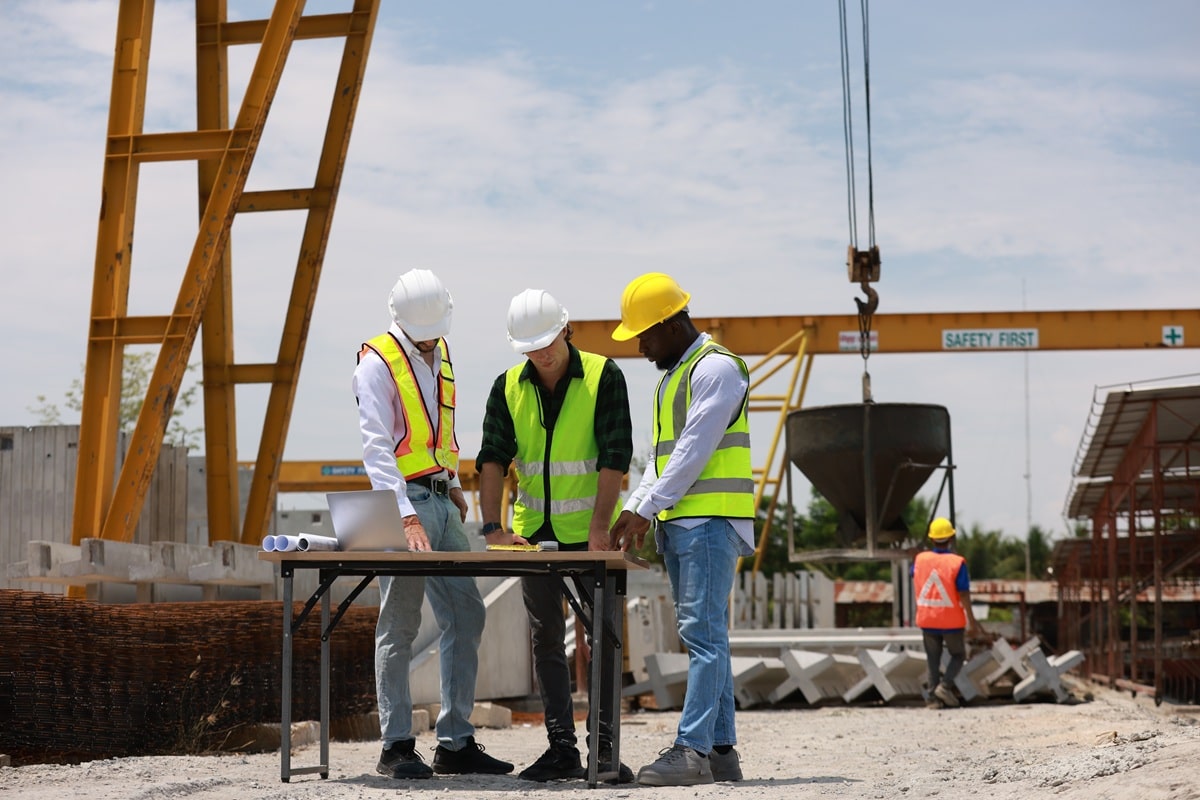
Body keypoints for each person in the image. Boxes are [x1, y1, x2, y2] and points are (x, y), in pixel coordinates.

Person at [352, 268, 513, 780]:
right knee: (398, 624)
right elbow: (377, 446)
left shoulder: (440, 350)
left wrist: (455, 480)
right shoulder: (376, 362)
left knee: (466, 614)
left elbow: (438, 428)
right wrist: (402, 512)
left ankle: (455, 741)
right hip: (405, 503)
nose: (430, 336)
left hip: (442, 499)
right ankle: (396, 745)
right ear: (399, 320)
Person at [476, 288, 635, 783]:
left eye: (548, 340)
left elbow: (614, 454)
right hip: (530, 537)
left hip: (589, 535)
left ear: (566, 329)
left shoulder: (603, 375)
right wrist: (492, 527)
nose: (541, 353)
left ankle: (603, 751)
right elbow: (492, 460)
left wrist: (597, 528)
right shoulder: (506, 386)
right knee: (545, 638)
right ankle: (561, 749)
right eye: (530, 346)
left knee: (601, 637)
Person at [608, 272, 754, 787]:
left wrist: (647, 510)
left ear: (671, 324)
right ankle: (720, 752)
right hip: (684, 522)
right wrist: (636, 507)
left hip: (708, 523)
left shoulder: (716, 370)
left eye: (645, 336)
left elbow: (695, 449)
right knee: (708, 635)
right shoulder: (677, 376)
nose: (642, 348)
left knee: (702, 636)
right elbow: (661, 458)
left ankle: (690, 750)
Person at [912, 516, 984, 709]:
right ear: (951, 538)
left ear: (931, 539)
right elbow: (964, 593)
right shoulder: (957, 562)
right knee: (958, 654)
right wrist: (972, 620)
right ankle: (944, 686)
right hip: (951, 620)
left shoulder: (920, 559)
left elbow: (914, 574)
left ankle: (932, 700)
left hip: (927, 618)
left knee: (932, 659)